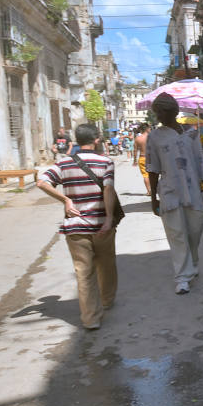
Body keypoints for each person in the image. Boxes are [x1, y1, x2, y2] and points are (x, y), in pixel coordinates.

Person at [36, 123, 119, 331]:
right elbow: (108, 190)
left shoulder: (64, 163)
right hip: (101, 224)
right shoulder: (105, 162)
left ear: (77, 140)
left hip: (75, 227)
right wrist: (109, 218)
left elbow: (41, 182)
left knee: (84, 272)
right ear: (97, 139)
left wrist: (65, 199)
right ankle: (107, 300)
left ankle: (91, 318)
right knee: (106, 263)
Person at [146, 93, 203, 294]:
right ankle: (182, 277)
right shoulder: (154, 137)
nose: (159, 116)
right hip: (169, 191)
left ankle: (192, 263)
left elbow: (200, 160)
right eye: (157, 113)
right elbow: (152, 168)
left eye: (161, 112)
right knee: (177, 234)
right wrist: (153, 198)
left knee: (194, 231)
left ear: (173, 112)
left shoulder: (191, 134)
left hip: (193, 190)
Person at [133, 124, 151, 195]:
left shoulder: (137, 138)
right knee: (152, 174)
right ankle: (153, 190)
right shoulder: (151, 137)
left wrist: (134, 160)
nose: (150, 129)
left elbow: (135, 150)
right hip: (151, 158)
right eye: (149, 128)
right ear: (146, 129)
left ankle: (149, 191)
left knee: (145, 175)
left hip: (142, 157)